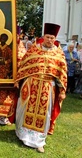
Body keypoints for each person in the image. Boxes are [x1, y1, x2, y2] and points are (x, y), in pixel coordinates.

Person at [14, 23, 67, 153]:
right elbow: (24, 65)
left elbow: (62, 73)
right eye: (48, 37)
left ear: (55, 39)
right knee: (26, 109)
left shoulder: (58, 54)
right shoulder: (34, 50)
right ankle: (23, 135)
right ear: (43, 37)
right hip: (31, 85)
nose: (50, 40)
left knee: (44, 113)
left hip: (47, 87)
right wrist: (18, 80)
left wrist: (62, 91)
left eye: (52, 38)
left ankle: (39, 141)